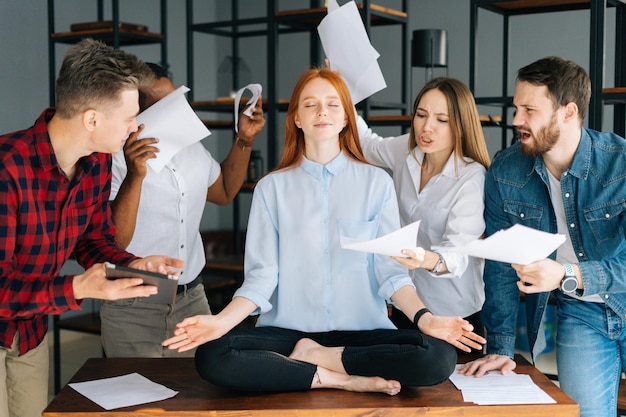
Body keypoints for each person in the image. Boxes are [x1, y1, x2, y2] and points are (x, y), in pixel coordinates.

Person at [163, 68, 485, 395]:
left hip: (363, 334)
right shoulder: (270, 189)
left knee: (438, 357)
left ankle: (317, 360)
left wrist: (425, 318)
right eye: (311, 104)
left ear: (347, 118)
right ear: (297, 119)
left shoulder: (377, 184)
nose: (322, 112)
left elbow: (391, 272)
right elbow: (262, 277)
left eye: (333, 104)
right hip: (290, 332)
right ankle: (337, 378)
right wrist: (220, 322)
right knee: (213, 354)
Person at [0, 38, 184, 417]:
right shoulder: (6, 169)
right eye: (130, 116)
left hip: (30, 332)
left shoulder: (96, 162)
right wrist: (77, 287)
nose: (136, 126)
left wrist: (132, 265)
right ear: (92, 119)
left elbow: (94, 239)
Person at [458, 56, 626, 417]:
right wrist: (501, 348)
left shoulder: (620, 163)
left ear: (568, 112)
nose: (516, 119)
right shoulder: (506, 169)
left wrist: (570, 275)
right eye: (517, 107)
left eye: (529, 110)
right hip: (583, 313)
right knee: (583, 414)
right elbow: (501, 264)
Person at [102, 63, 265, 358]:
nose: (171, 110)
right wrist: (134, 174)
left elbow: (226, 190)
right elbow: (115, 241)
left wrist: (245, 139)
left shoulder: (192, 150)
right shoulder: (111, 157)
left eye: (173, 100)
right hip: (132, 303)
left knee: (196, 395)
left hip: (191, 299)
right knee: (136, 396)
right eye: (157, 104)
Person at [356, 77, 490, 338]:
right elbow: (367, 145)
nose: (427, 127)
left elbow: (459, 253)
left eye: (442, 120)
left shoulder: (471, 177)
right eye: (421, 115)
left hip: (454, 313)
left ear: (461, 125)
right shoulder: (406, 151)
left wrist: (424, 259)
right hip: (406, 305)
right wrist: (343, 92)